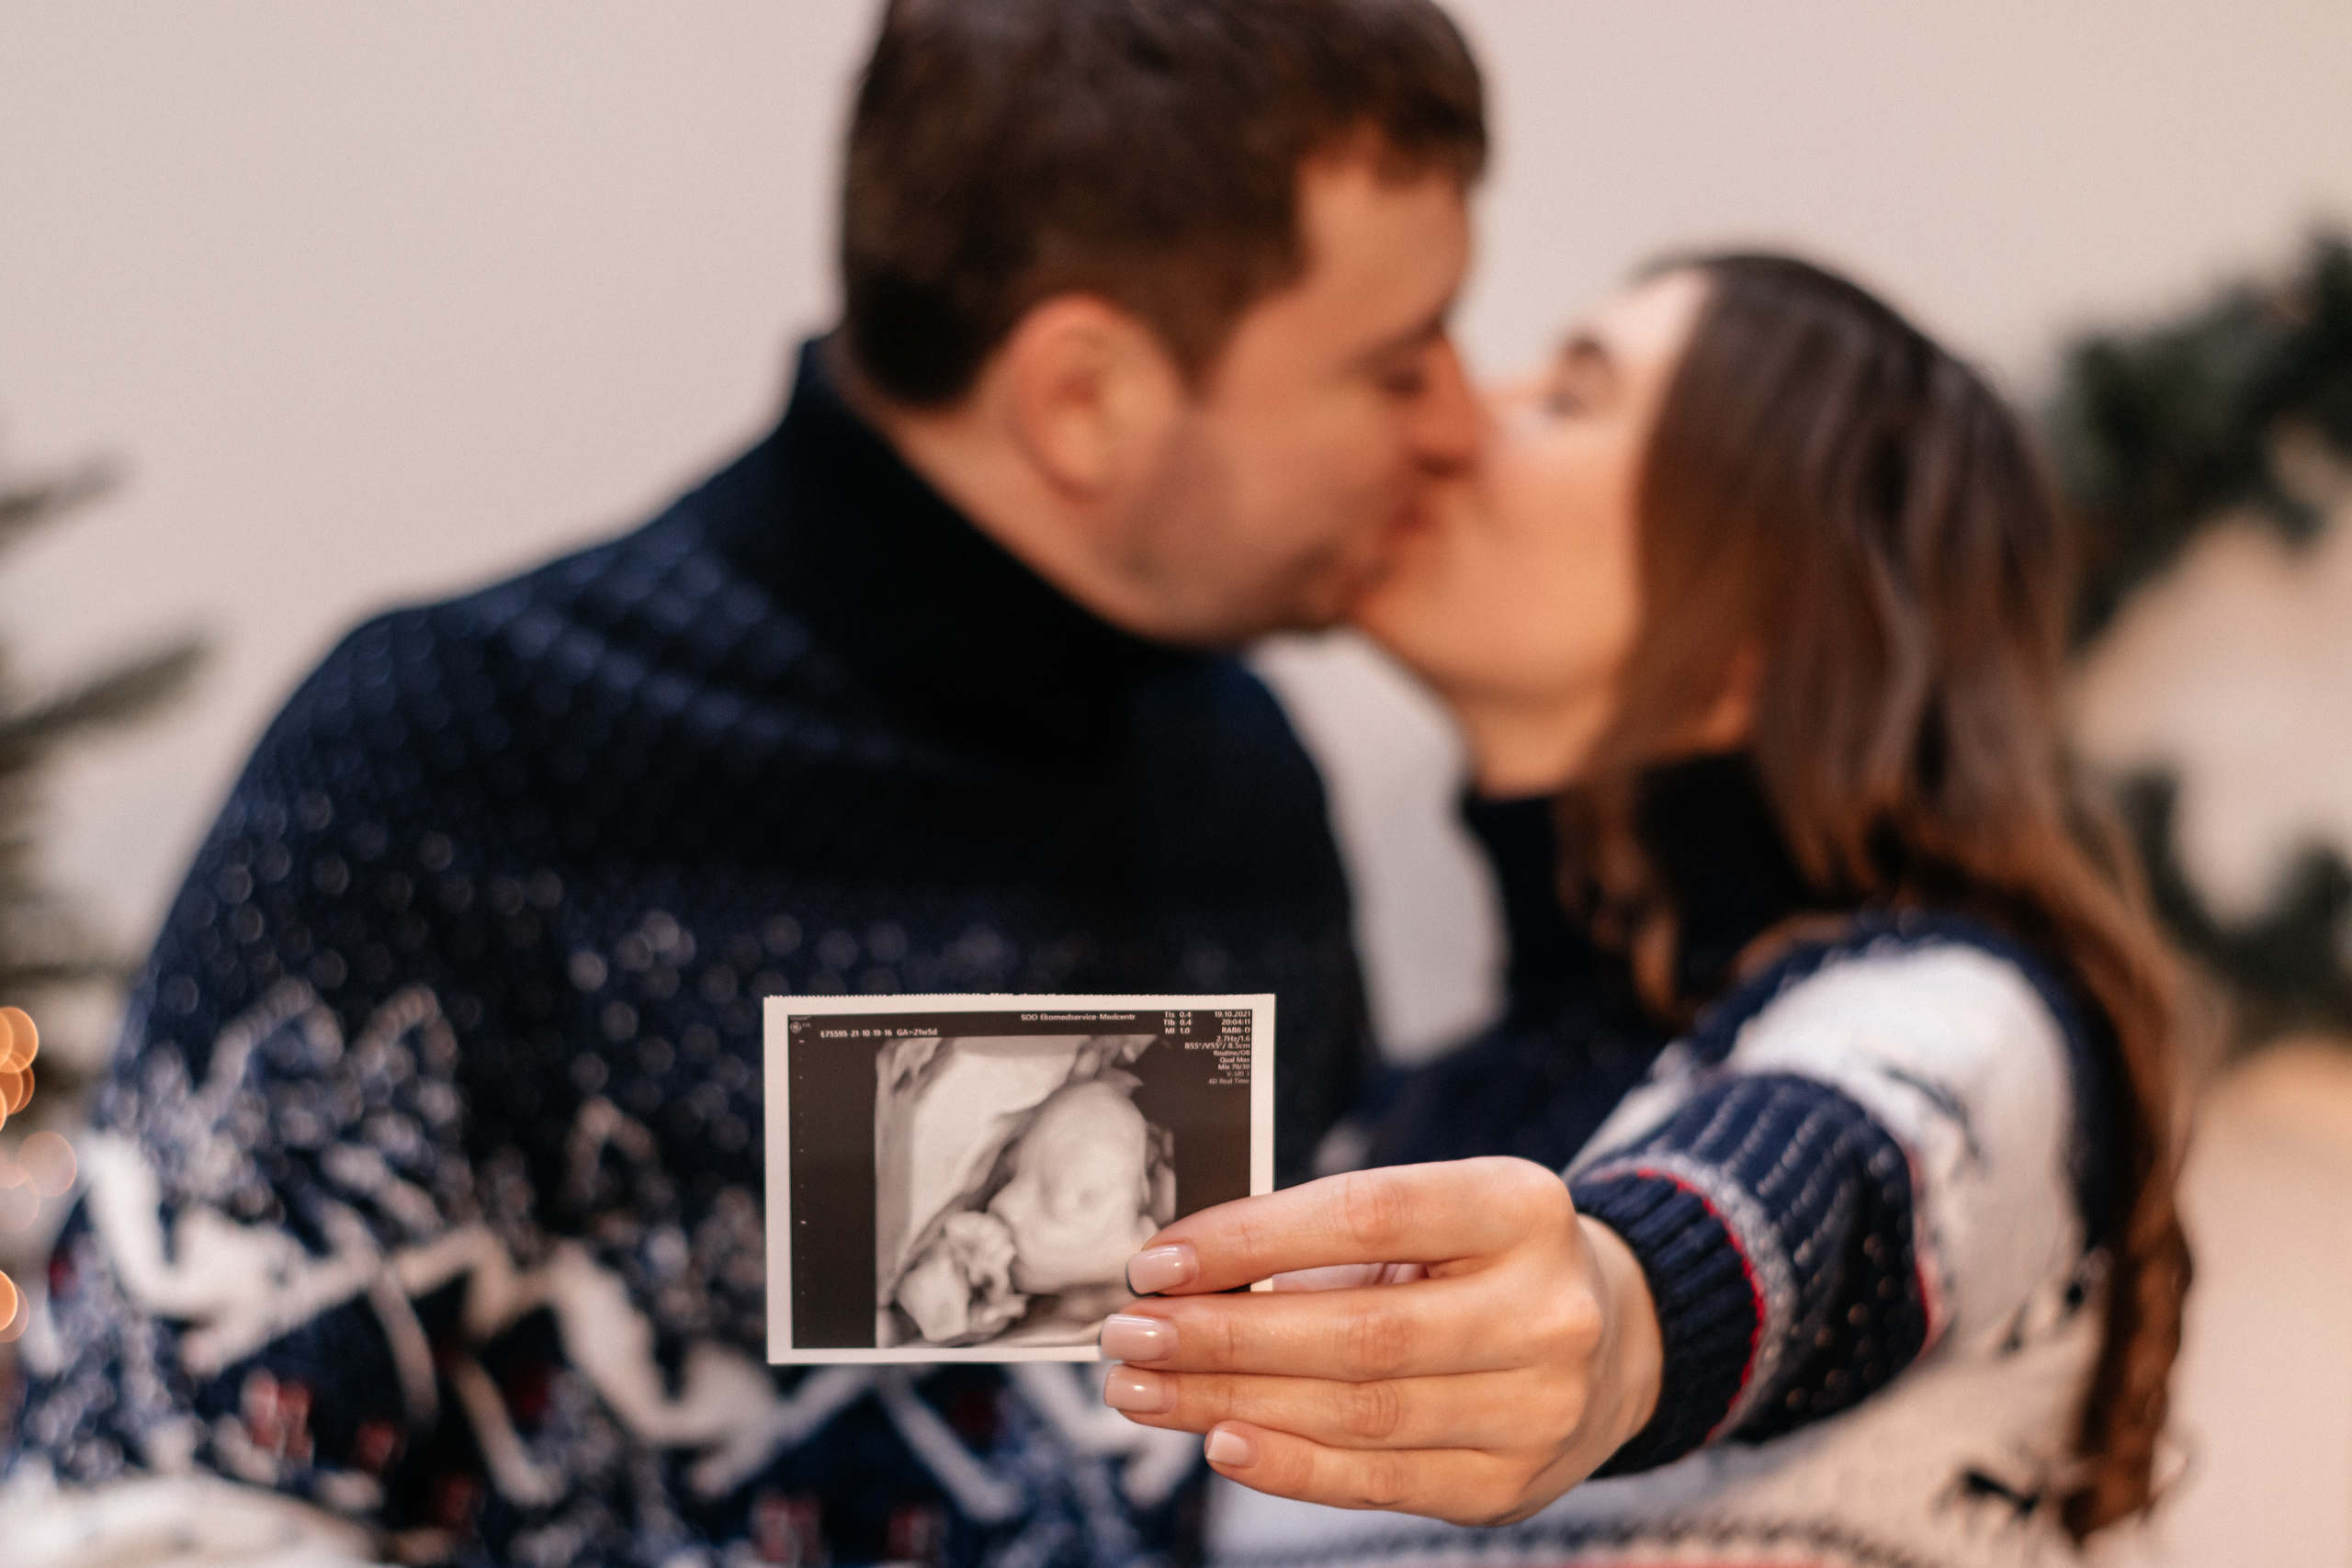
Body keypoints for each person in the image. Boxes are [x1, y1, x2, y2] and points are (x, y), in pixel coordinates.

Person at [1, 3, 1486, 1564]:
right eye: (1399, 365)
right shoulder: (454, 765)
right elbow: (148, 1522)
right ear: (1085, 397)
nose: (1463, 423)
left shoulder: (1232, 776)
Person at [1096, 254, 2193, 1566]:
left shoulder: (1962, 1020)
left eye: (1570, 396)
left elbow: (1825, 1180)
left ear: (1765, 628)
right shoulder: (1376, 1127)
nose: (1459, 417)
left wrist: (1622, 1306)